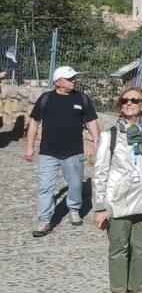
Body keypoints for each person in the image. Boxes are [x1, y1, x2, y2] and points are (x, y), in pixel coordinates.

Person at [92, 87, 142, 293]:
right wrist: (100, 207)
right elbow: (100, 173)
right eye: (124, 100)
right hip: (118, 200)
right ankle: (119, 291)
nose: (128, 103)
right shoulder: (110, 134)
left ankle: (137, 288)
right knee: (119, 248)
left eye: (134, 100)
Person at [24, 65, 100, 237]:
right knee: (45, 187)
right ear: (57, 81)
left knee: (75, 185)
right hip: (47, 152)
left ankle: (74, 208)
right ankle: (44, 219)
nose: (74, 80)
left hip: (73, 152)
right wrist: (29, 146)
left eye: (74, 78)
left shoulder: (82, 98)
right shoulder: (45, 99)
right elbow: (34, 123)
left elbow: (92, 121)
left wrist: (96, 140)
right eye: (69, 78)